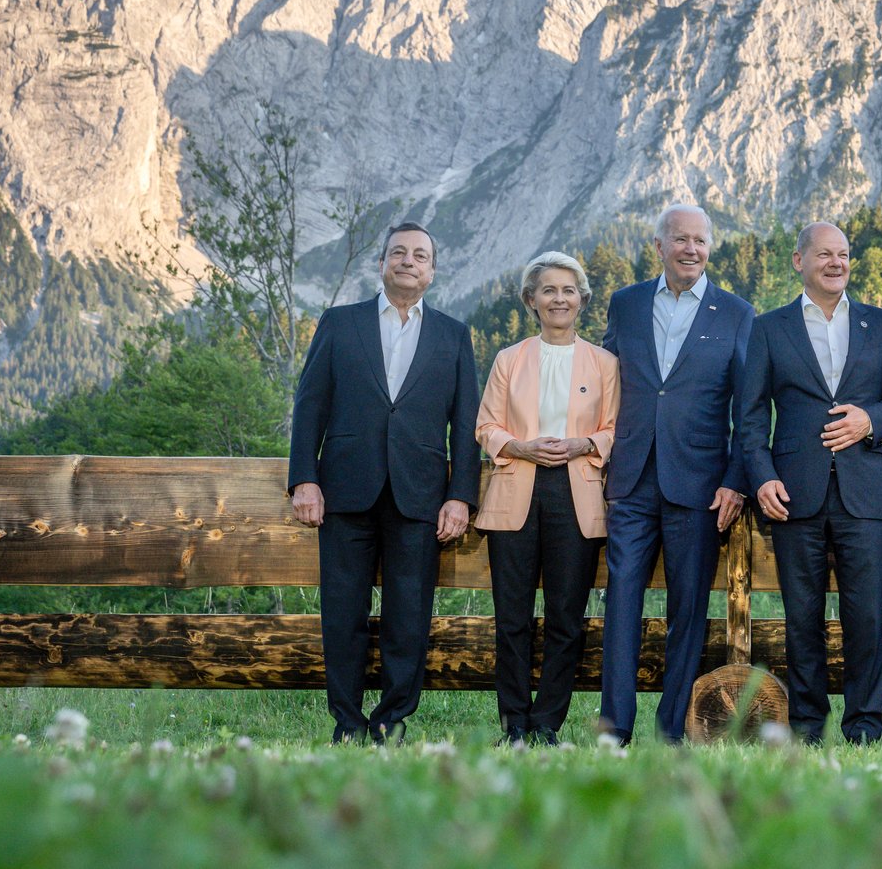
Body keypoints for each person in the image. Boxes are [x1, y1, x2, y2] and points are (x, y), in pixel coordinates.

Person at [287, 222, 479, 744]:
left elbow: (465, 425)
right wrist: (304, 478)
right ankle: (347, 723)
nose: (408, 261)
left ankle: (392, 723)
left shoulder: (453, 335)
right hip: (344, 492)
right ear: (382, 264)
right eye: (399, 252)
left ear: (432, 270)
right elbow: (310, 407)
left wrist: (461, 494)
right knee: (341, 616)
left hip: (420, 498)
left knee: (408, 619)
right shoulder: (339, 323)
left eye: (420, 255)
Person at [737, 222, 882, 744]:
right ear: (799, 262)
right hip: (794, 495)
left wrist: (870, 420)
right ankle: (809, 726)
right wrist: (762, 477)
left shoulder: (881, 325)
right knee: (802, 620)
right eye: (824, 255)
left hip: (863, 493)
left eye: (843, 255)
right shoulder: (770, 328)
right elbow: (749, 417)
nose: (836, 263)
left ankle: (864, 727)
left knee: (867, 618)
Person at [597, 203, 753, 745]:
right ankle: (613, 730)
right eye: (680, 239)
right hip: (632, 479)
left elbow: (749, 410)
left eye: (701, 241)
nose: (691, 249)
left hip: (702, 486)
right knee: (622, 602)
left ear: (711, 248)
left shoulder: (735, 312)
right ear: (658, 246)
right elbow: (603, 382)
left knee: (688, 611)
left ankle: (671, 732)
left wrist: (735, 478)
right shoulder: (626, 303)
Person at [472, 252, 619, 745]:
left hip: (577, 494)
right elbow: (485, 425)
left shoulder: (605, 364)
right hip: (517, 488)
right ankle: (514, 723)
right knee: (511, 619)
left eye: (569, 290)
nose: (559, 298)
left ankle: (546, 725)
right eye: (549, 290)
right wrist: (518, 446)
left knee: (565, 619)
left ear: (582, 300)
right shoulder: (508, 360)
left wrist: (584, 444)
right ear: (531, 301)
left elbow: (618, 429)